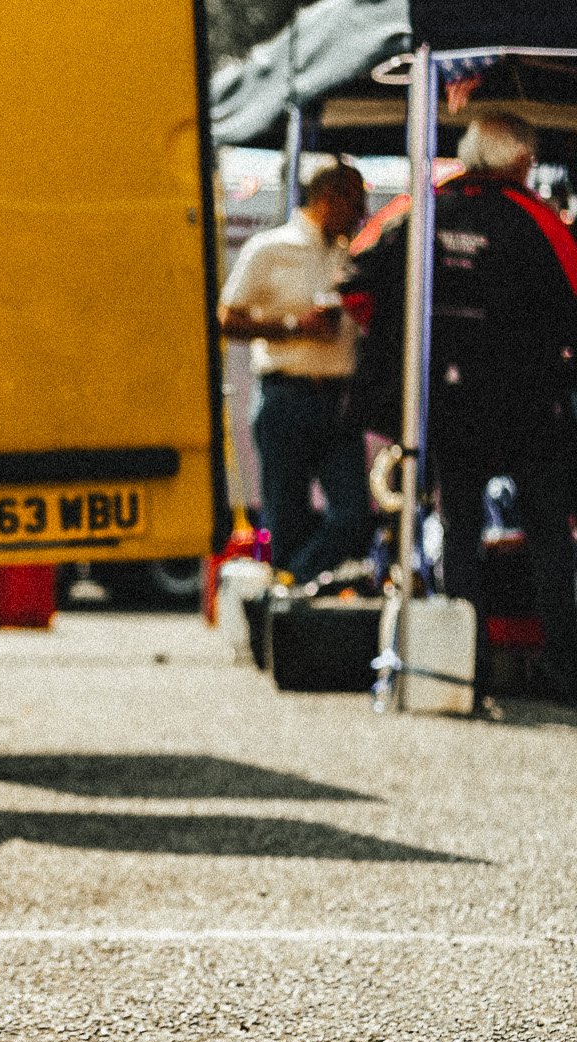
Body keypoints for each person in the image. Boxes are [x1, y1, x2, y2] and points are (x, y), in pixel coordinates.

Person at [344, 113, 577, 704]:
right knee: (550, 533)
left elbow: (354, 286)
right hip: (530, 401)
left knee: (459, 528)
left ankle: (460, 667)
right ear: (518, 160)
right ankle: (564, 670)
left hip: (445, 404)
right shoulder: (538, 218)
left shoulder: (413, 210)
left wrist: (409, 349)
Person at [219, 161, 372, 584]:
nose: (360, 214)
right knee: (285, 516)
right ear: (329, 199)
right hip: (285, 395)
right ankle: (287, 617)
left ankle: (294, 582)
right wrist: (293, 326)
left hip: (338, 399)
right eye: (354, 203)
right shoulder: (269, 248)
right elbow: (226, 319)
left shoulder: (350, 255)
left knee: (354, 516)